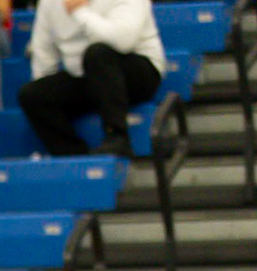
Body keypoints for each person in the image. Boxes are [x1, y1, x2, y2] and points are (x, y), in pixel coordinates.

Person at [17, 0, 165, 160]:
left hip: (137, 72)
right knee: (32, 94)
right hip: (87, 76)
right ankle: (76, 158)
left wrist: (79, 12)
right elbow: (44, 54)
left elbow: (122, 42)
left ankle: (117, 136)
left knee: (97, 54)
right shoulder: (49, 3)